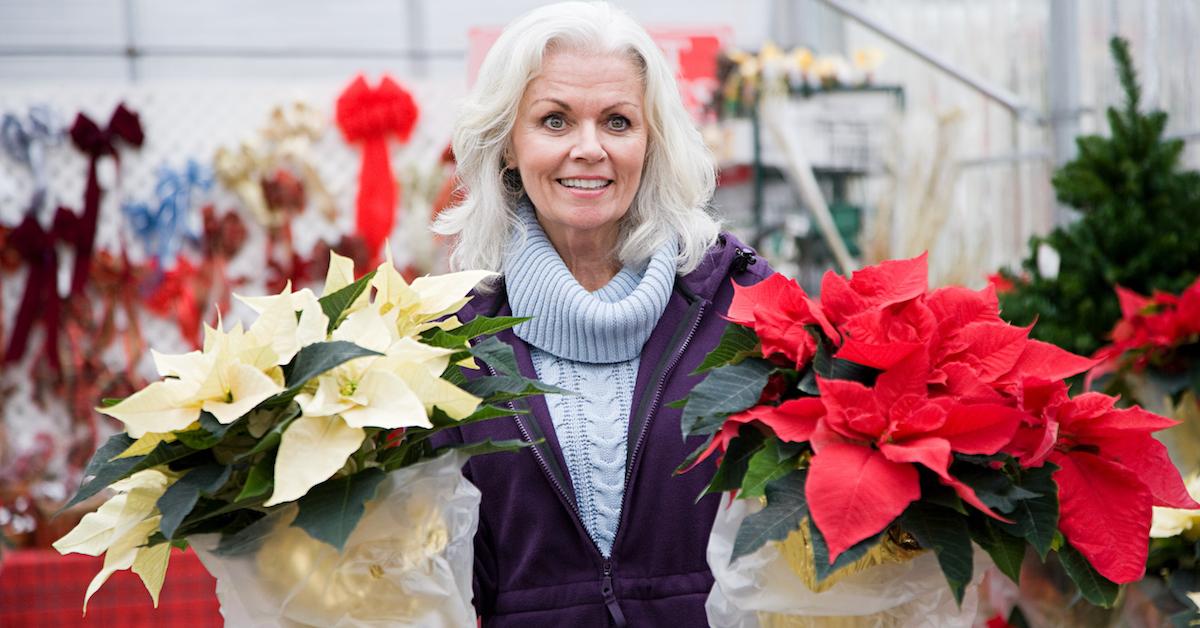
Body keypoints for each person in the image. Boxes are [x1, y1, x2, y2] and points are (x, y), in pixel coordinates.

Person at [432, 2, 771, 625]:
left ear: (651, 141)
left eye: (617, 122)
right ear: (508, 145)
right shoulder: (453, 346)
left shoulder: (744, 308)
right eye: (554, 121)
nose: (588, 149)